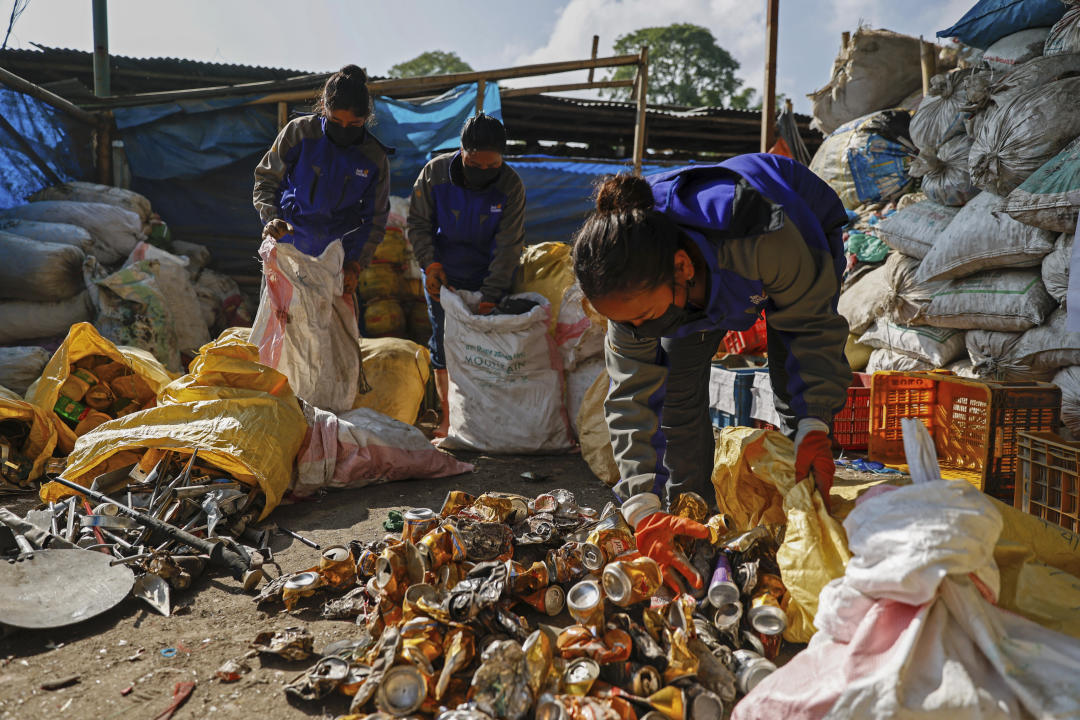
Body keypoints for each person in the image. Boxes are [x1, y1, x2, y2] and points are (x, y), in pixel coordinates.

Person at [571, 153, 852, 588]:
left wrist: (814, 422)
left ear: (682, 268)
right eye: (625, 323)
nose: (634, 331)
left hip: (797, 230)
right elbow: (632, 397)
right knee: (676, 390)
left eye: (641, 317)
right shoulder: (630, 292)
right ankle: (693, 517)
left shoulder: (762, 238)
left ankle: (802, 516)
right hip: (691, 286)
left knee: (793, 378)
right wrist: (643, 507)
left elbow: (809, 331)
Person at [407, 113, 526, 438]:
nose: (483, 172)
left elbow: (509, 244)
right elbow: (418, 224)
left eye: (492, 167)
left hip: (491, 276)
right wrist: (430, 265)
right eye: (475, 164)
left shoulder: (510, 185)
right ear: (461, 151)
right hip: (443, 277)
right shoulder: (435, 173)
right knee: (444, 344)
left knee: (489, 350)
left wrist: (492, 294)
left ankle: (488, 421)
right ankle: (449, 422)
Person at [252, 64, 391, 299]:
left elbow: (375, 219)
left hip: (336, 264)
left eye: (354, 125)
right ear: (323, 108)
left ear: (366, 119)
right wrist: (271, 218)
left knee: (329, 332)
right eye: (336, 122)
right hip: (288, 250)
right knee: (281, 325)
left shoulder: (374, 157)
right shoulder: (299, 133)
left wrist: (355, 264)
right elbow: (266, 179)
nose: (344, 129)